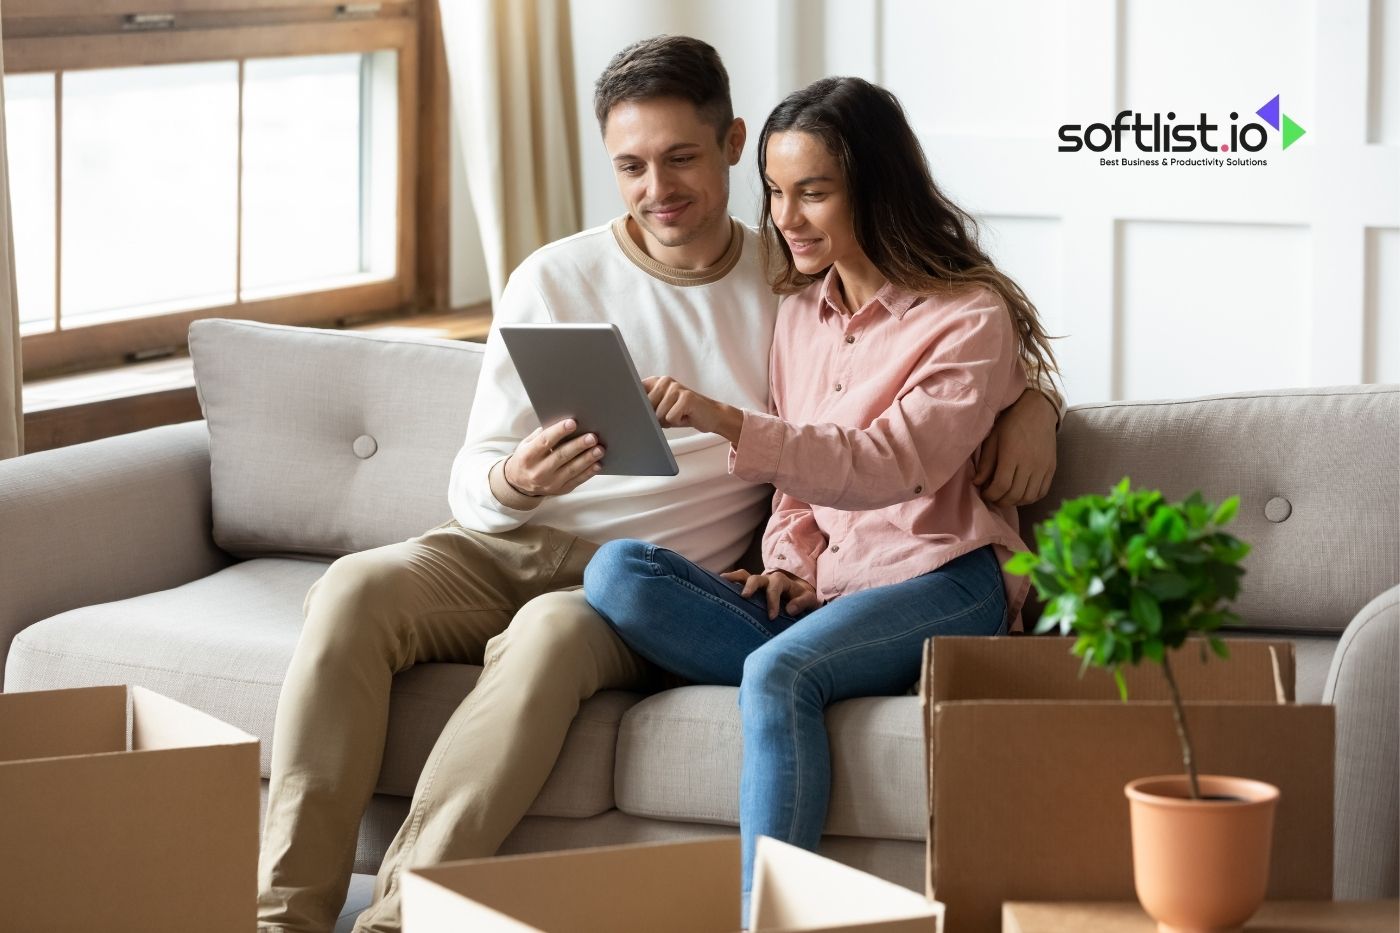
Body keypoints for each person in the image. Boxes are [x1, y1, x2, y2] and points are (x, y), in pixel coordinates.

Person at [257, 38, 1061, 933]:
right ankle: (283, 916)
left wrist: (1036, 401)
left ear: (729, 144)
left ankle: (397, 920)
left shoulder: (782, 279)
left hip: (641, 575)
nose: (658, 188)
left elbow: (916, 384)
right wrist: (515, 480)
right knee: (351, 589)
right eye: (631, 166)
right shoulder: (564, 276)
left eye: (681, 157)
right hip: (508, 541)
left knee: (556, 635)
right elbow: (475, 474)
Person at [583, 75, 1061, 917]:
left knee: (775, 672)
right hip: (834, 594)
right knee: (619, 572)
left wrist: (723, 418)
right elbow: (797, 488)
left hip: (947, 579)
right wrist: (787, 564)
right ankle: (836, 661)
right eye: (774, 191)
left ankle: (768, 918)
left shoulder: (967, 316)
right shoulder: (801, 313)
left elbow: (888, 462)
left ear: (874, 187)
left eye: (813, 192)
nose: (786, 218)